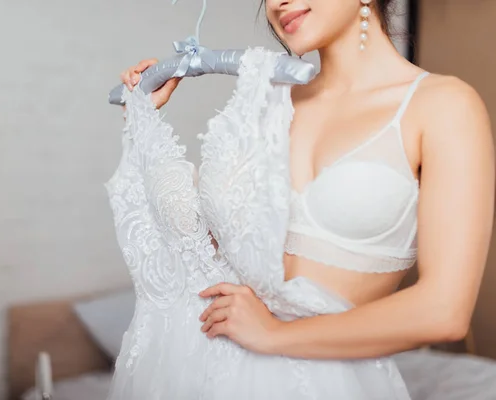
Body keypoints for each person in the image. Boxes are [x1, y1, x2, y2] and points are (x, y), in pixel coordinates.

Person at [116, 0, 494, 397]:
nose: (279, 2)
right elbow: (221, 254)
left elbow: (444, 312)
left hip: (330, 382)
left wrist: (275, 334)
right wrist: (144, 122)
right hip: (210, 371)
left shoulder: (444, 105)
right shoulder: (266, 105)